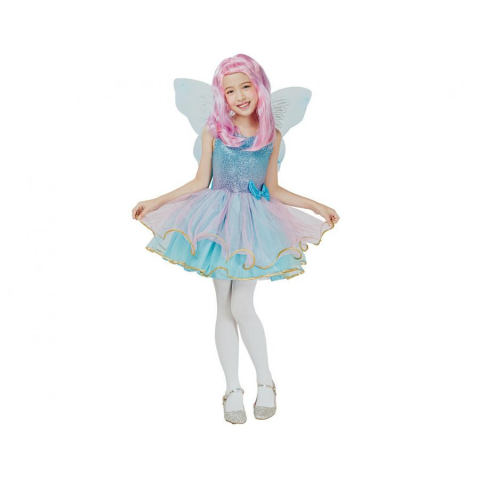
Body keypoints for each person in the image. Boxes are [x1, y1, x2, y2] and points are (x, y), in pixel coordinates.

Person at [132, 54, 340, 424]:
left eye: (246, 86)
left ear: (260, 88)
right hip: (215, 220)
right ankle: (232, 388)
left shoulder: (271, 135)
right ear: (221, 96)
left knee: (241, 305)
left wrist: (315, 205)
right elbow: (200, 181)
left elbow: (274, 188)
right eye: (230, 91)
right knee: (223, 306)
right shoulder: (214, 130)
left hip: (253, 224)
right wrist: (157, 201)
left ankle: (265, 381)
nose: (239, 96)